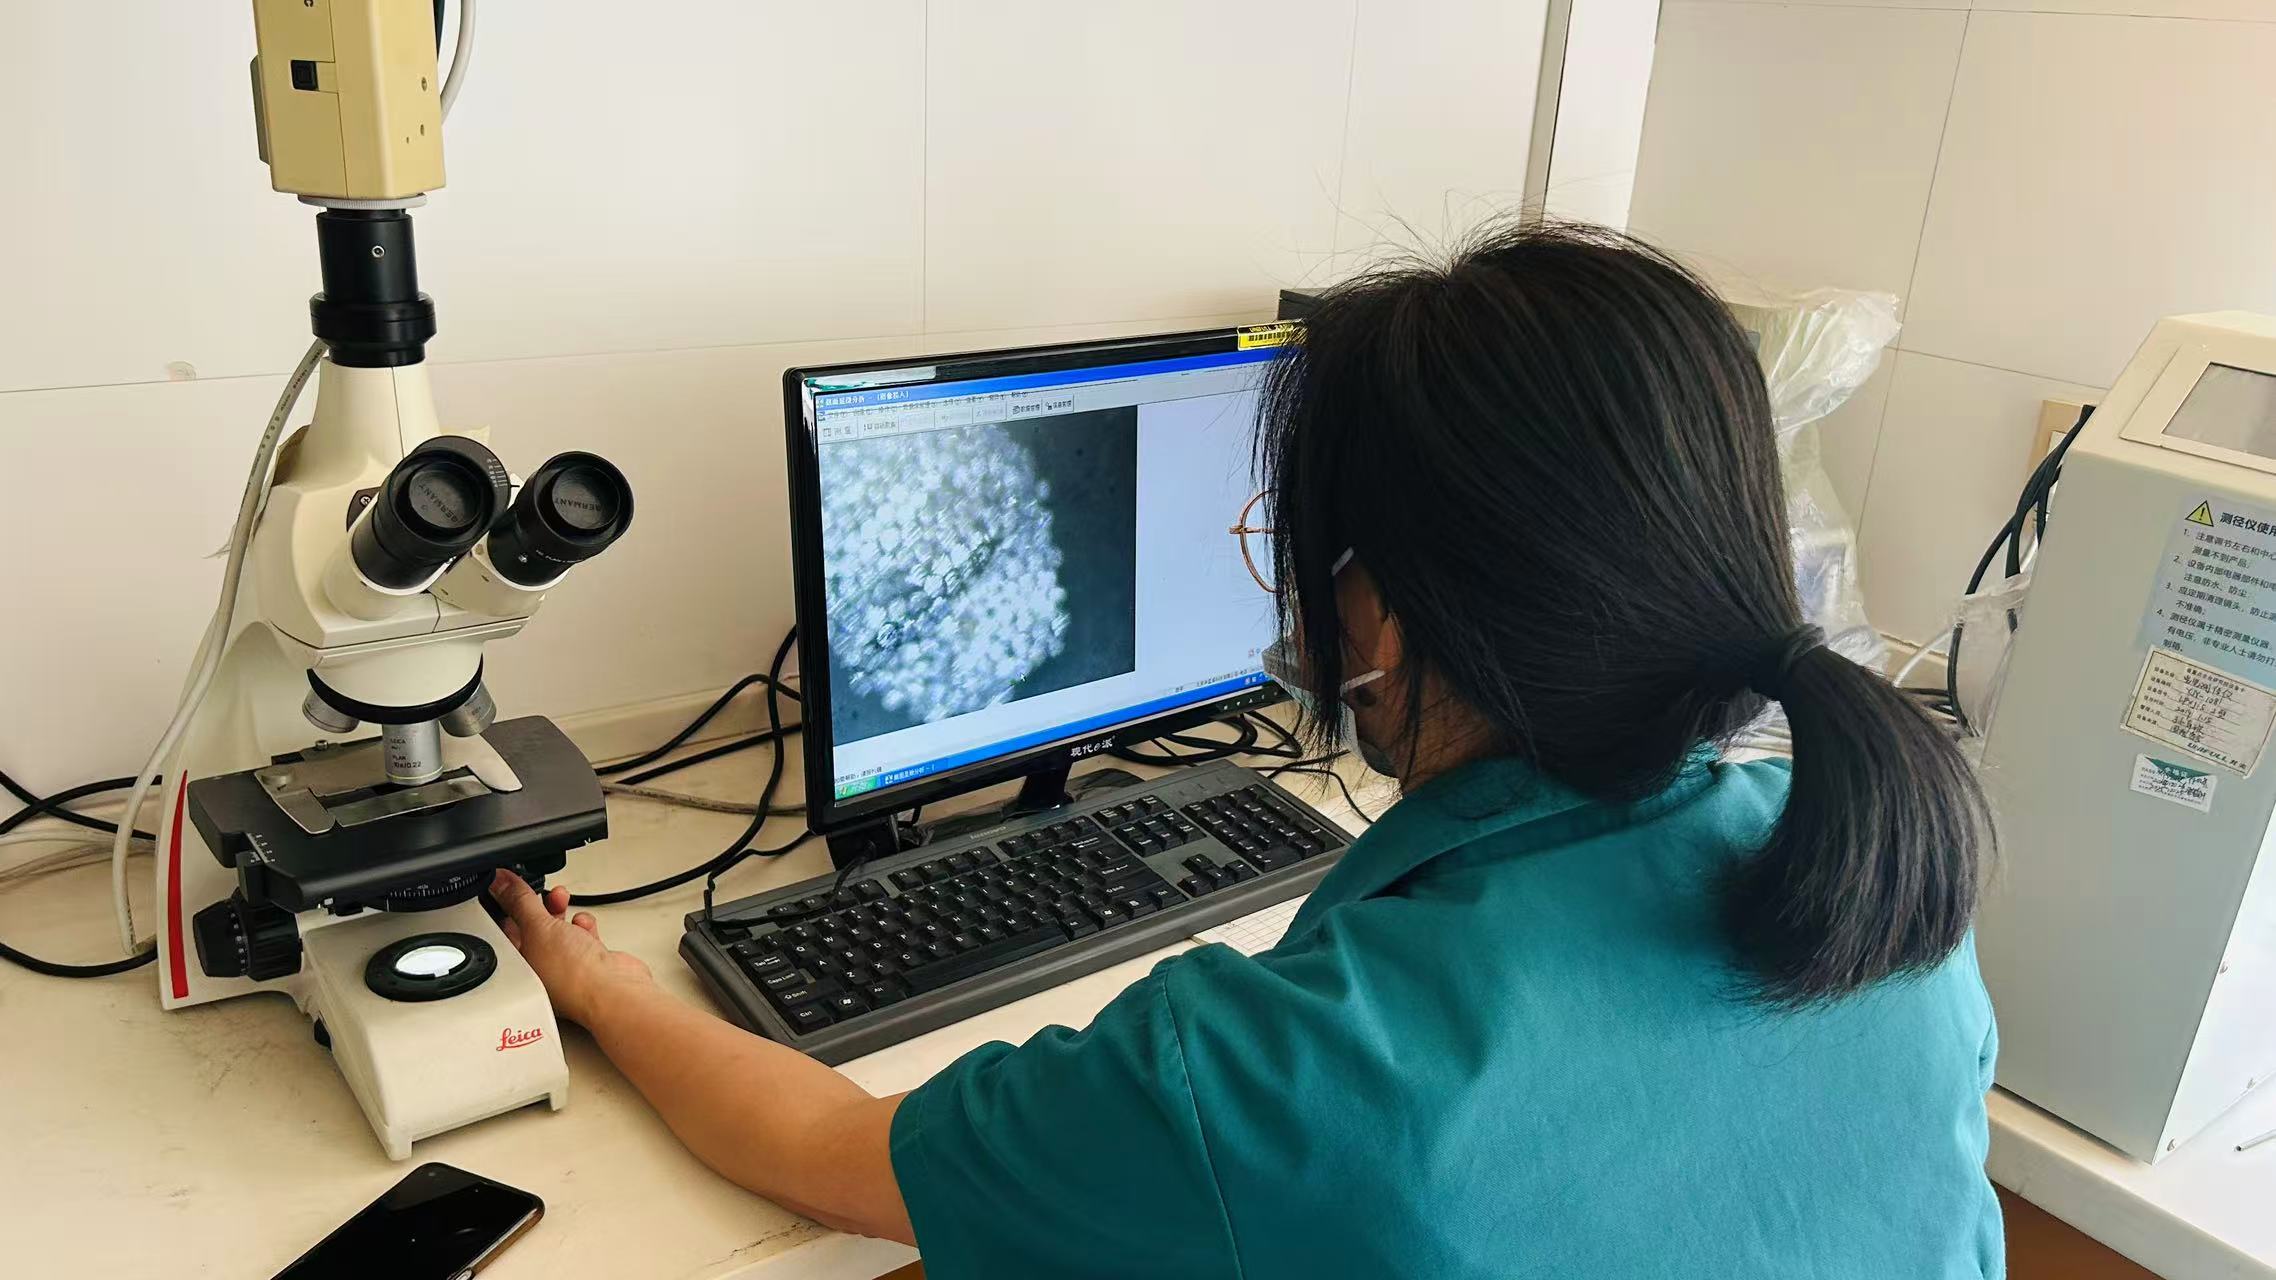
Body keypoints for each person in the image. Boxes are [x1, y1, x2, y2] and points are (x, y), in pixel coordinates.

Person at [488, 222, 2002, 1278]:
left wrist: (601, 984)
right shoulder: (1874, 883)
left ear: (1381, 610)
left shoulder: (1284, 1069)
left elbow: (835, 1151)